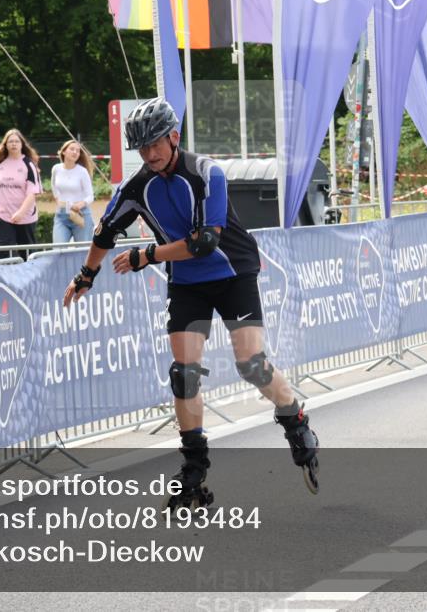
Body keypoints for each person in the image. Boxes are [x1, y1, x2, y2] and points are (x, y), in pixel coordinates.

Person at [62, 97, 320, 508]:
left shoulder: (206, 173)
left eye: (155, 144)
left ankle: (295, 421)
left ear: (174, 137)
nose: (149, 154)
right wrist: (86, 275)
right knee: (183, 374)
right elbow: (105, 232)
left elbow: (204, 242)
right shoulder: (137, 187)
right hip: (187, 282)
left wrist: (147, 255)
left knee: (251, 364)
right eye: (142, 148)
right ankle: (194, 470)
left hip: (232, 272)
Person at [0, 129, 42, 259]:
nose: (14, 144)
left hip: (25, 217)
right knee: (3, 252)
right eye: (10, 141)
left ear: (22, 144)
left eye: (17, 141)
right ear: (5, 145)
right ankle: (3, 272)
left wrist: (21, 212)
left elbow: (32, 193)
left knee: (27, 254)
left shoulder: (29, 164)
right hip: (2, 215)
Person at [50, 140, 96, 243]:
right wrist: (57, 199)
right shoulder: (56, 169)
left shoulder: (82, 171)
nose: (75, 152)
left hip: (81, 214)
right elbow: (53, 185)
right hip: (61, 215)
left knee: (82, 250)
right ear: (63, 152)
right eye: (72, 149)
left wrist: (79, 205)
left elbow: (90, 196)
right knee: (58, 249)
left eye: (78, 151)